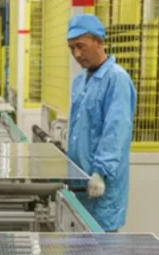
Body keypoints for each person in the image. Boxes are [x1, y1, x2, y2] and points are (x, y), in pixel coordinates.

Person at [66, 15, 136, 232]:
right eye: (72, 48)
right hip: (78, 180)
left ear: (99, 42)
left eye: (81, 46)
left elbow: (116, 131)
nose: (77, 54)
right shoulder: (80, 81)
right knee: (77, 250)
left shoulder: (117, 79)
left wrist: (100, 172)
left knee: (101, 250)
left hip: (101, 183)